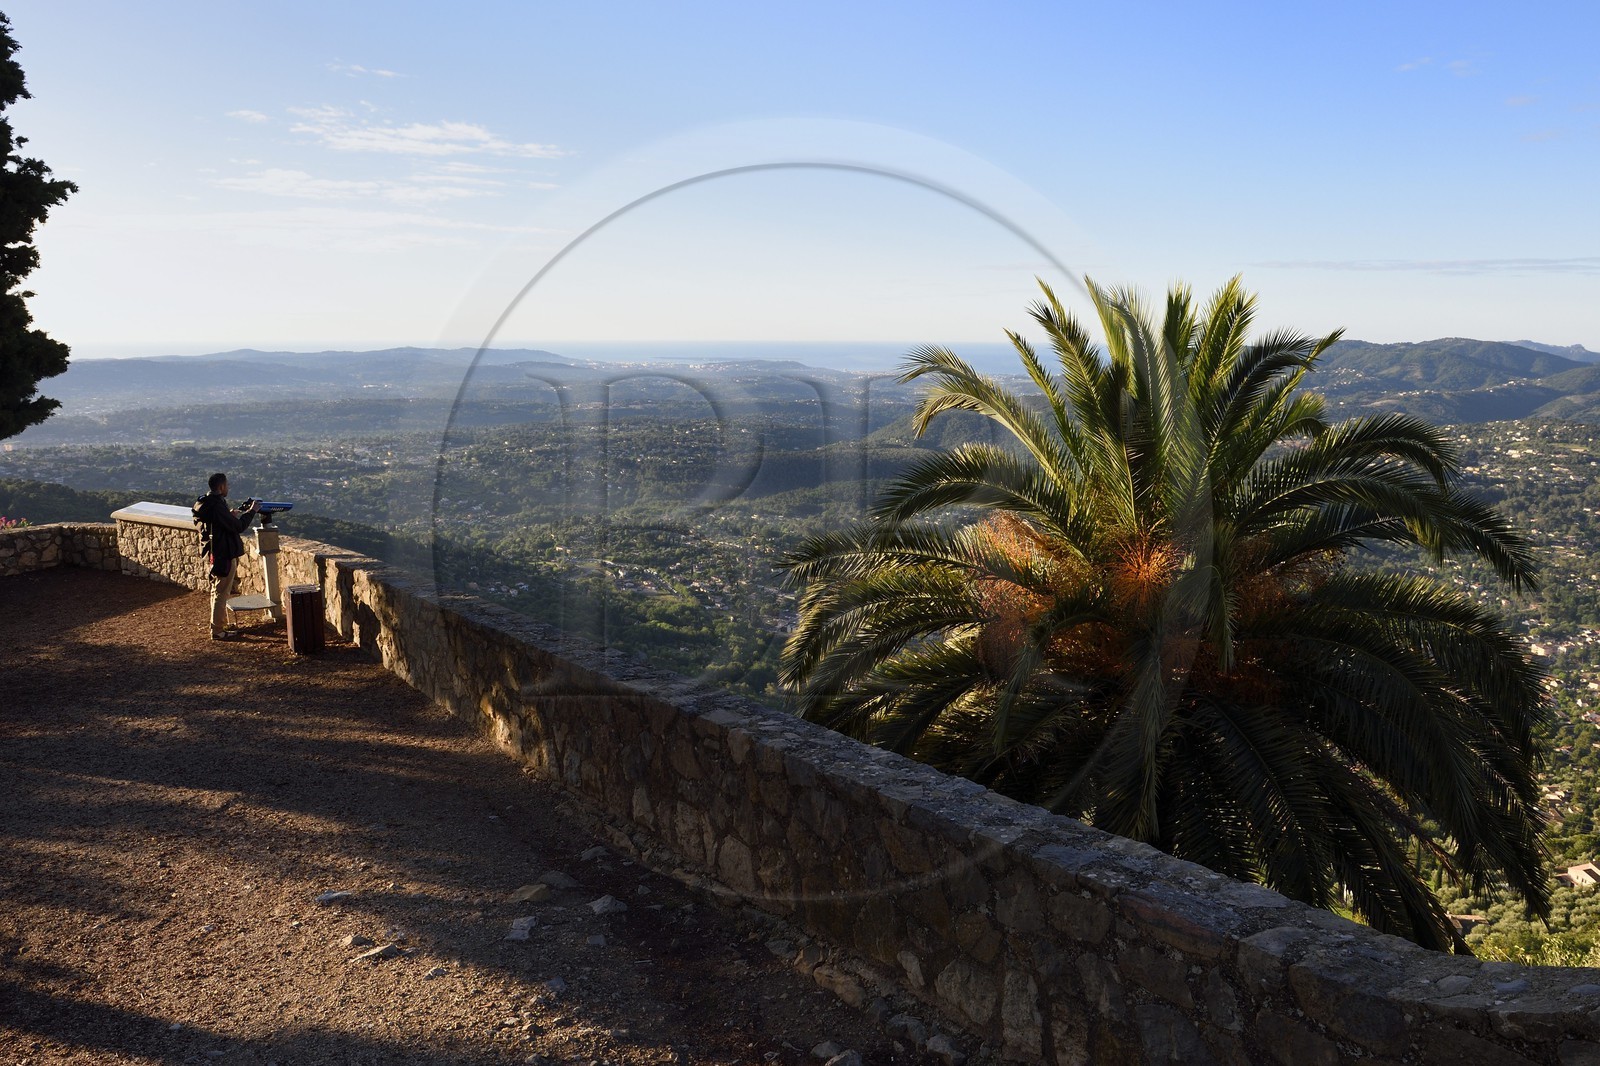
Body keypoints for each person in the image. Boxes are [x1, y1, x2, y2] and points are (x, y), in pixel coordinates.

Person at [192, 472, 259, 640]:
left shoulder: (205, 503)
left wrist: (228, 515)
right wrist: (252, 512)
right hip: (224, 554)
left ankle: (218, 626)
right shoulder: (216, 505)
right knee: (222, 592)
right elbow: (238, 527)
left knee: (217, 590)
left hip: (215, 552)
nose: (228, 488)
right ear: (221, 487)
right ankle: (217, 631)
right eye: (227, 485)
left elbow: (216, 523)